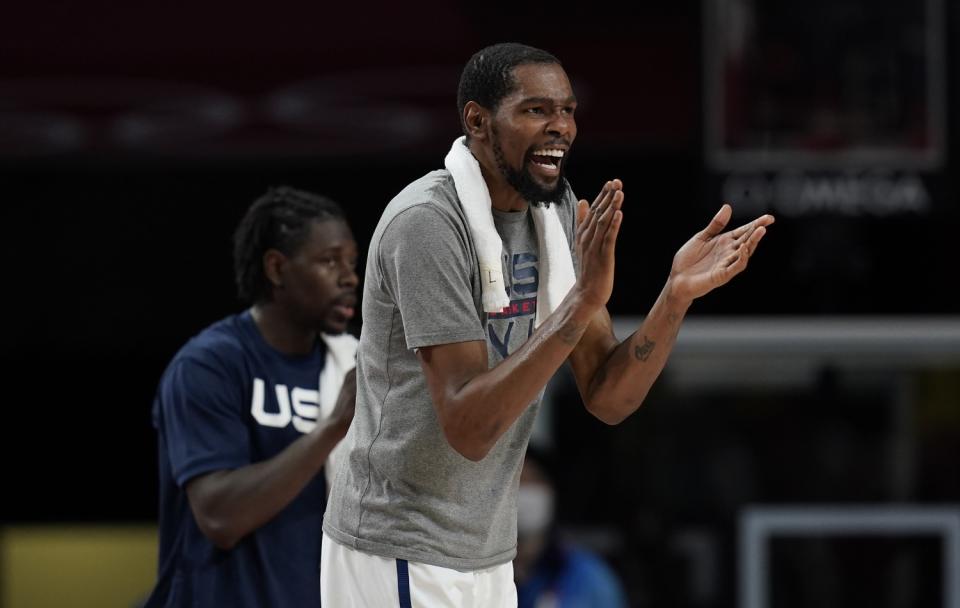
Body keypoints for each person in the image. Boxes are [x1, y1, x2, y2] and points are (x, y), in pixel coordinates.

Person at [321, 42, 774, 606]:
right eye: (536, 110)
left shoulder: (555, 212)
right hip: (397, 545)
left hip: (487, 550)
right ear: (478, 121)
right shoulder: (428, 225)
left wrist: (674, 297)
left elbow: (608, 397)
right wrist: (580, 304)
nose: (561, 127)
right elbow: (467, 427)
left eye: (568, 111)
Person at [144, 186, 360, 608]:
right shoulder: (208, 365)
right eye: (329, 261)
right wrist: (332, 428)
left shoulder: (351, 365)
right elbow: (220, 516)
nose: (350, 277)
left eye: (351, 262)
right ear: (277, 268)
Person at [514, 448, 628, 608]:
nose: (522, 490)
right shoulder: (478, 574)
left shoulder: (587, 576)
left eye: (533, 480)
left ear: (552, 490)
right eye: (515, 481)